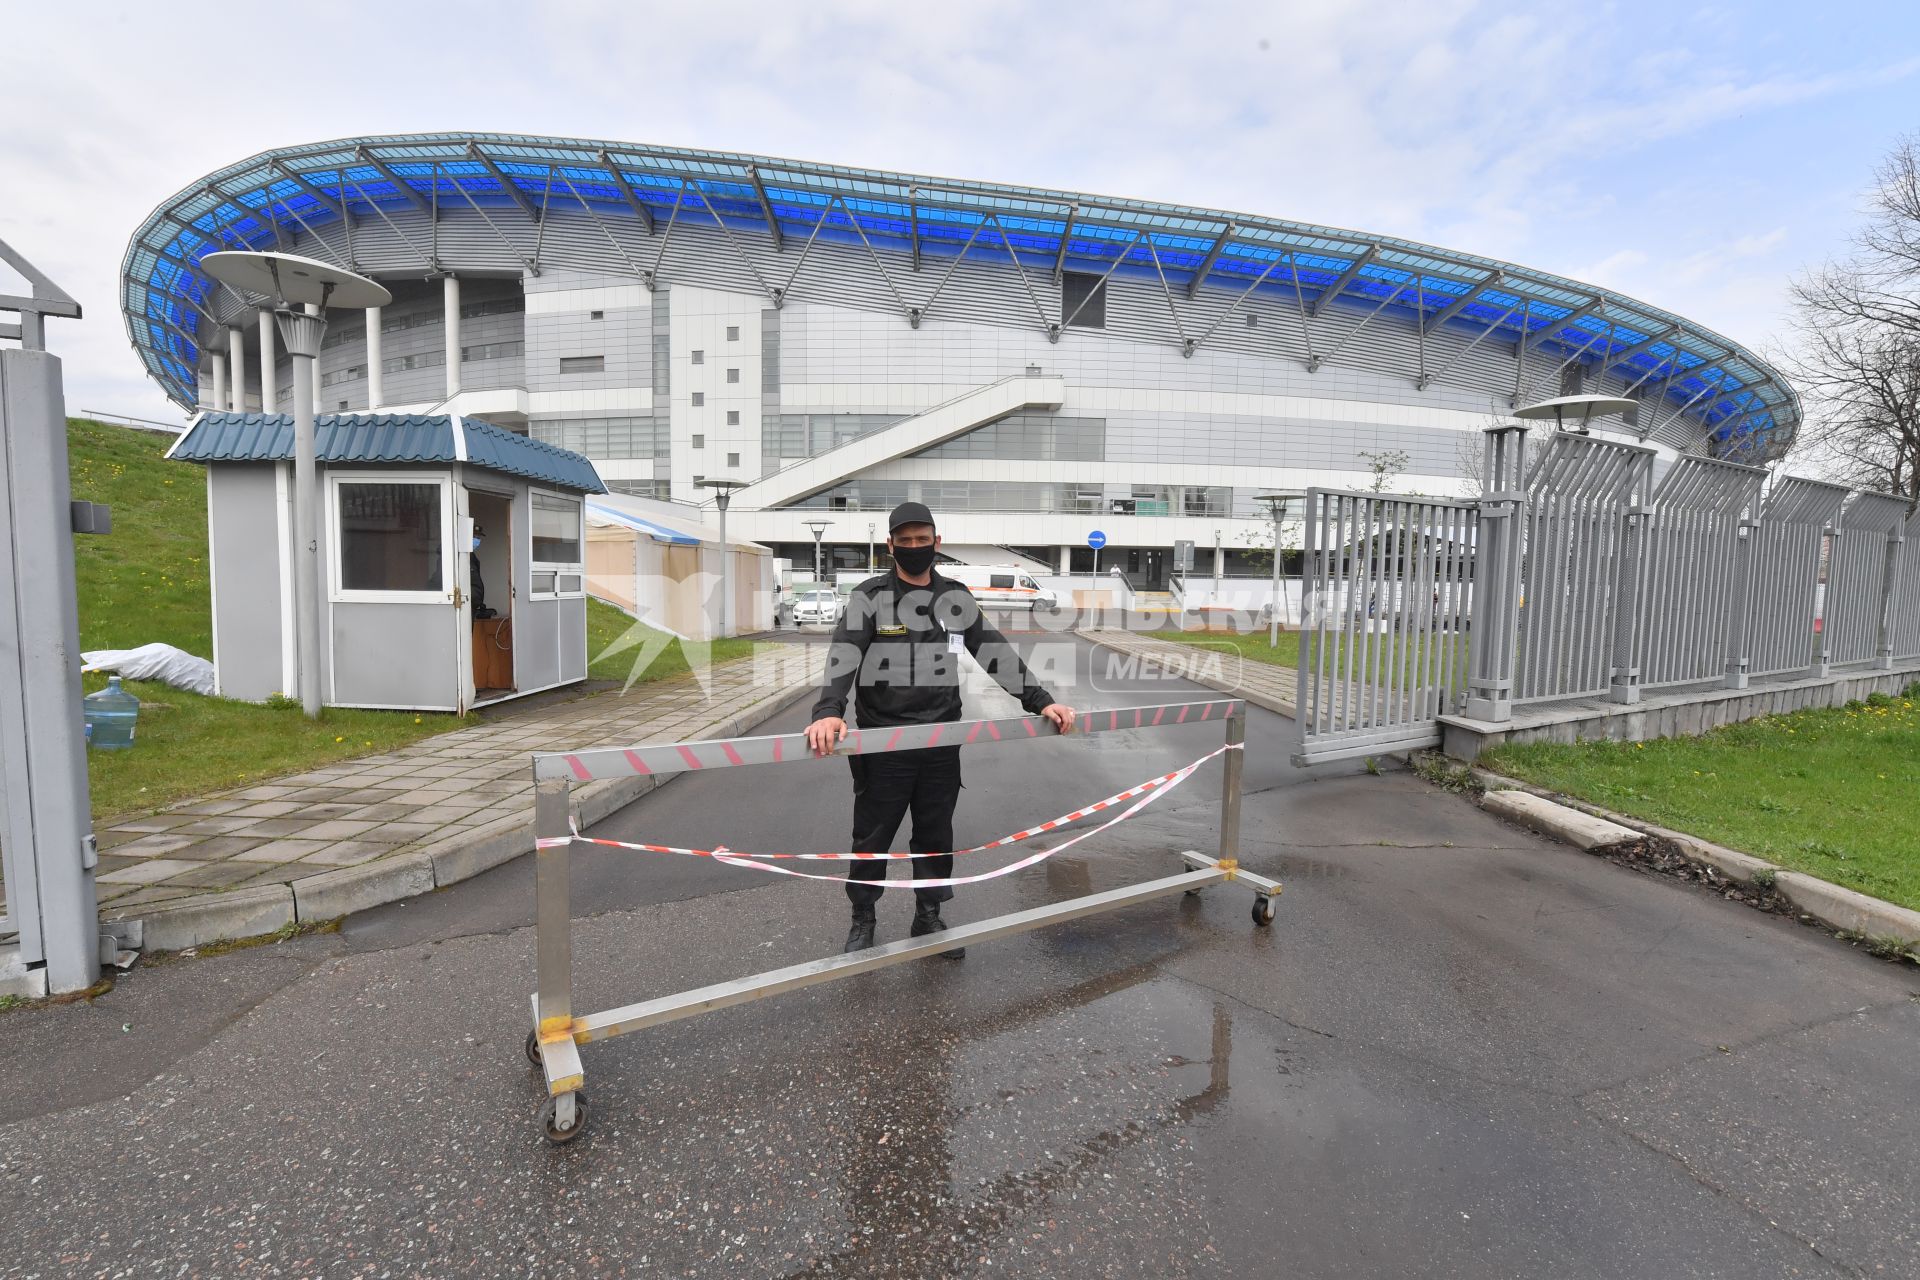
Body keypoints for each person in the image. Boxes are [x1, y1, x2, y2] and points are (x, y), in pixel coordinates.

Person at [806, 502, 1076, 955]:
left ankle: (928, 916)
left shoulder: (955, 597)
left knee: (934, 834)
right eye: (905, 540)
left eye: (921, 539)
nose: (914, 547)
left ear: (937, 542)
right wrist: (828, 709)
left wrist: (1041, 700)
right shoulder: (869, 597)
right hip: (884, 743)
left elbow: (993, 652)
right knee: (872, 835)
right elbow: (844, 653)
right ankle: (863, 918)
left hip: (940, 741)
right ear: (890, 545)